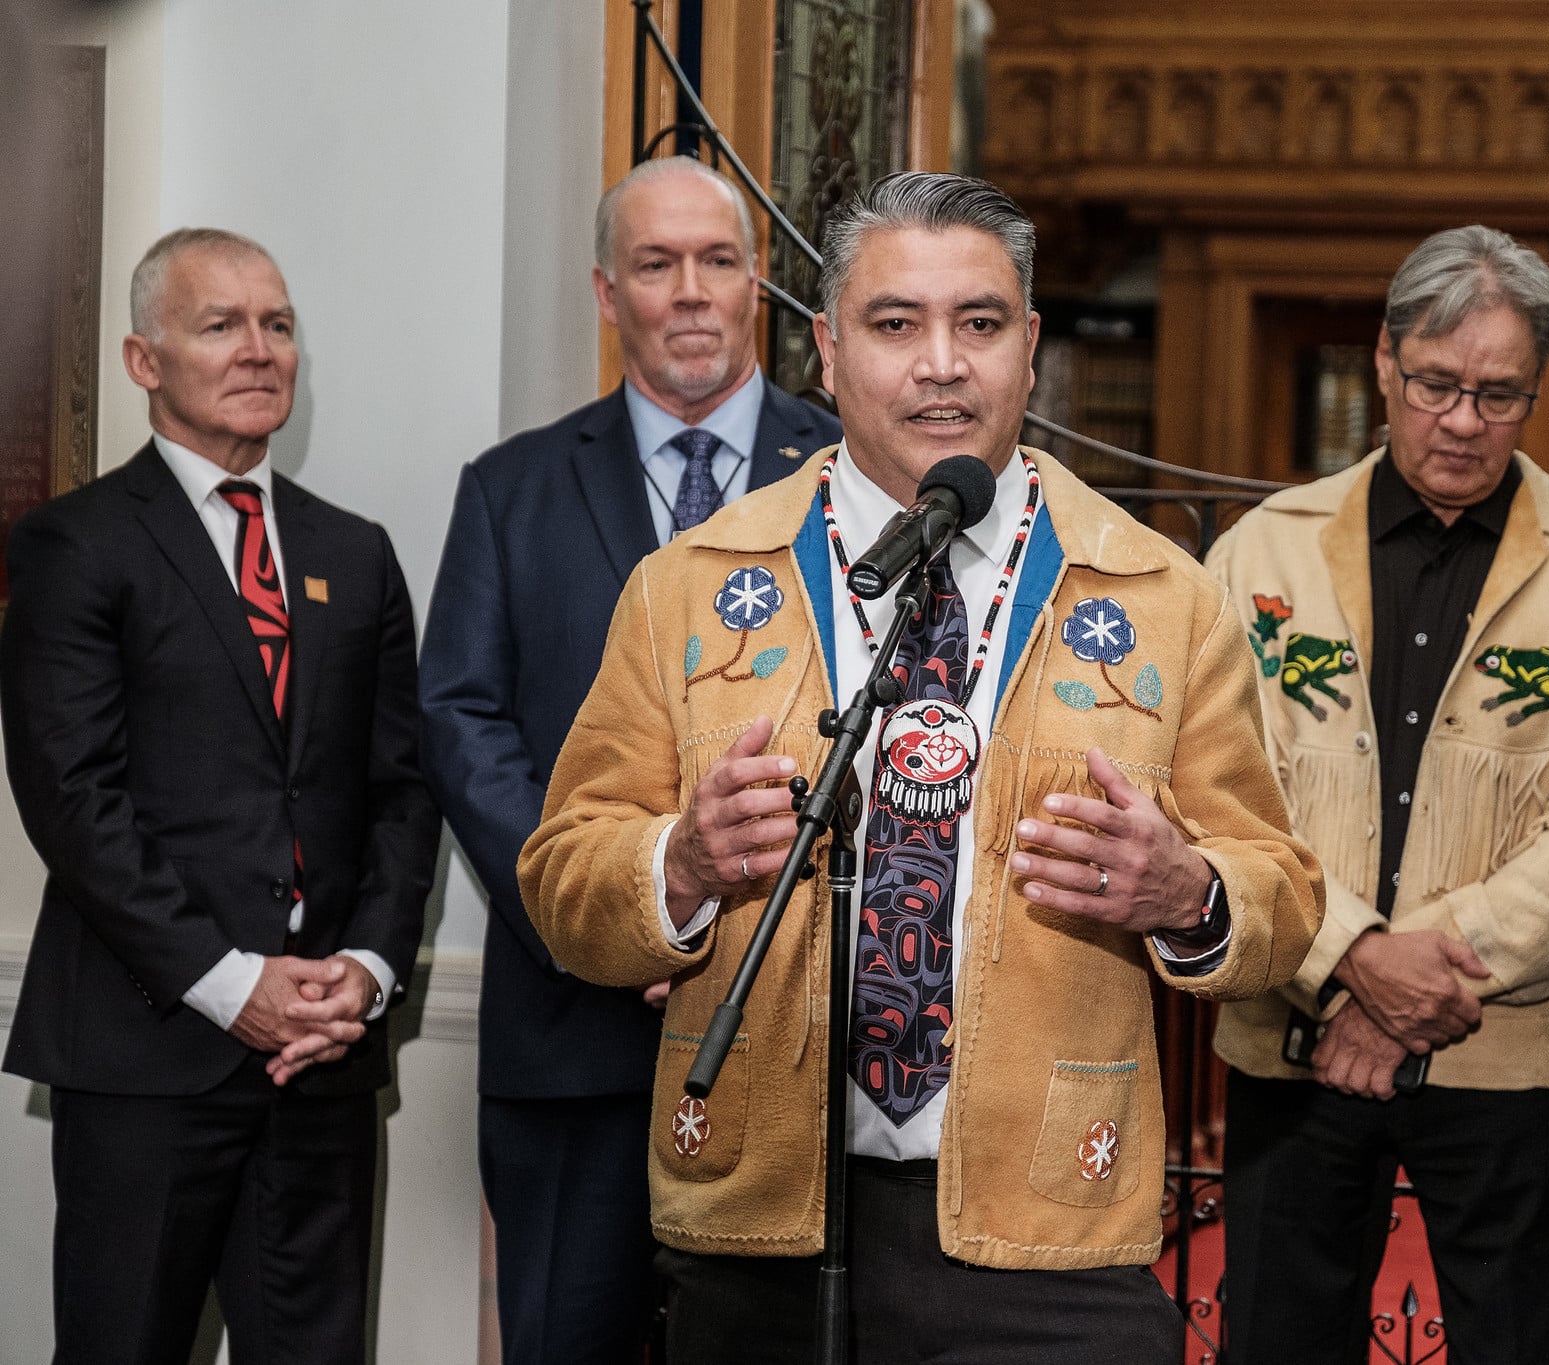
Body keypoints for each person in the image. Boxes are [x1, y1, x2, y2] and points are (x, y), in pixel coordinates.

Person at [517, 171, 1320, 1364]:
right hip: (761, 1222)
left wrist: (1188, 894)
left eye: (979, 324)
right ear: (828, 353)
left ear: (1030, 349)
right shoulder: (687, 586)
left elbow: (1283, 895)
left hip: (1047, 1235)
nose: (940, 363)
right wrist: (678, 862)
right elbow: (563, 882)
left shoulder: (1161, 598)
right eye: (895, 325)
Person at [1208, 225, 1549, 1364]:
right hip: (1294, 1041)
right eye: (1434, 385)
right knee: (1276, 1338)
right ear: (1383, 360)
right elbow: (1213, 794)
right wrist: (1348, 965)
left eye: (1498, 395)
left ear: (1535, 391)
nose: (1462, 421)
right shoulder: (1258, 555)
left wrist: (1416, 971)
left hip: (1508, 1050)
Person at [417, 155, 839, 1364]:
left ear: (757, 282)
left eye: (717, 260)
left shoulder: (849, 487)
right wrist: (618, 908)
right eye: (658, 265)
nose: (691, 291)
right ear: (609, 294)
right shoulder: (509, 491)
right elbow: (460, 723)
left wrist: (724, 907)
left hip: (793, 1017)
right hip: (572, 1034)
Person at [0, 227, 438, 1364]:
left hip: (323, 1061)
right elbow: (71, 798)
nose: (260, 351)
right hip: (146, 1056)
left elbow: (402, 790)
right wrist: (229, 982)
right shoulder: (75, 545)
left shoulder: (358, 550)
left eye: (278, 325)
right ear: (145, 360)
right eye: (221, 325)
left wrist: (368, 971)